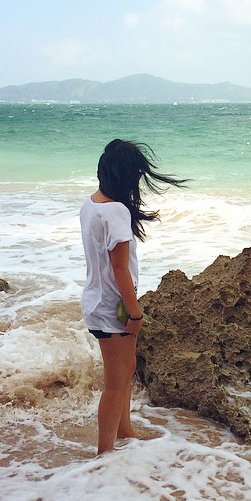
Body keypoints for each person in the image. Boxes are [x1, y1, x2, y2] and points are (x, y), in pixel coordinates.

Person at [80, 139, 186, 455]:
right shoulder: (116, 212)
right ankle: (104, 453)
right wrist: (136, 313)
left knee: (126, 370)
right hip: (114, 307)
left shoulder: (92, 204)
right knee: (115, 385)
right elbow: (119, 268)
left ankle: (125, 432)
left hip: (97, 301)